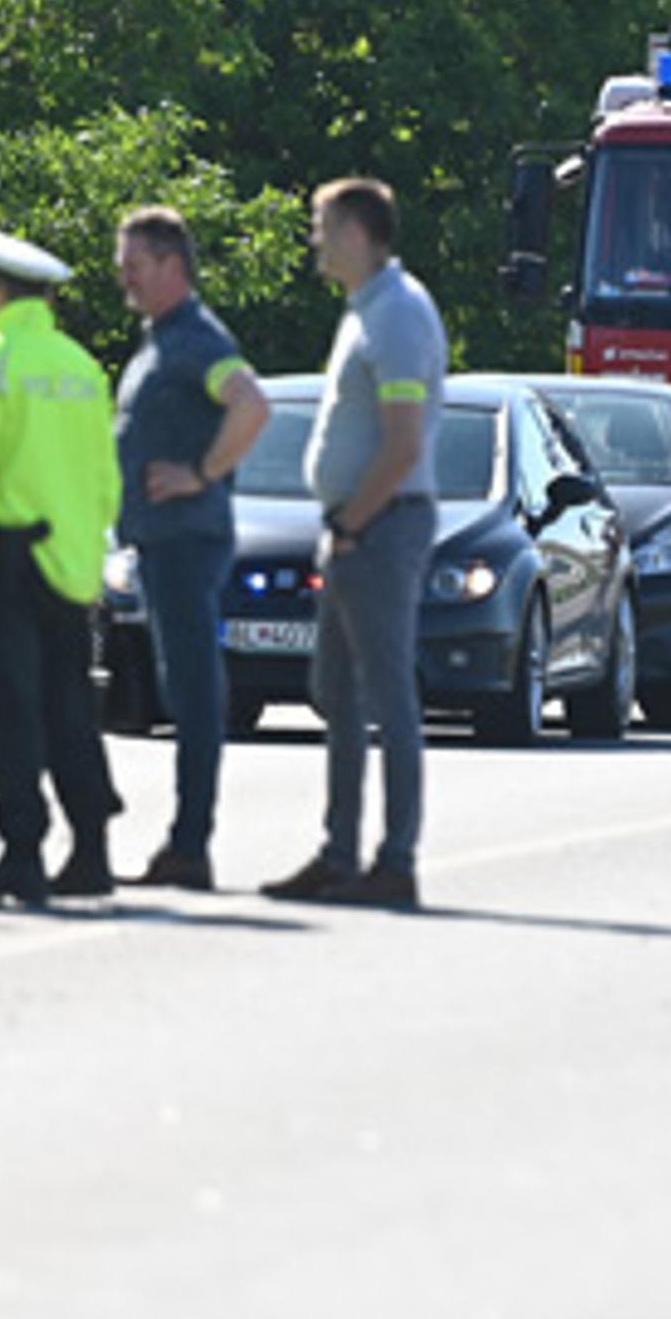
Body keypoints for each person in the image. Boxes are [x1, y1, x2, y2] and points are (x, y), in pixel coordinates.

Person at [0, 230, 123, 907]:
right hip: (70, 567)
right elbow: (105, 482)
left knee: (4, 712)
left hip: (7, 566)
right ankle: (91, 850)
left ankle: (22, 853)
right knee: (70, 709)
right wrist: (86, 560)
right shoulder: (81, 368)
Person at [263, 178, 449, 911]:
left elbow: (403, 445)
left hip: (382, 523)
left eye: (323, 226)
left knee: (389, 697)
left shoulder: (398, 314)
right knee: (336, 692)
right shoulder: (366, 310)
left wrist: (351, 524)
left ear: (357, 233)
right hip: (357, 522)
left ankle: (394, 861)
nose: (315, 239)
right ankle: (339, 855)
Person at [112, 206, 273, 890]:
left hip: (186, 539)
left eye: (135, 265)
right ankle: (185, 842)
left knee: (194, 691)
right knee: (182, 688)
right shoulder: (162, 339)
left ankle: (189, 845)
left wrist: (201, 473)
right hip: (162, 542)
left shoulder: (195, 340)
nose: (124, 278)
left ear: (172, 266)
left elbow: (251, 403)